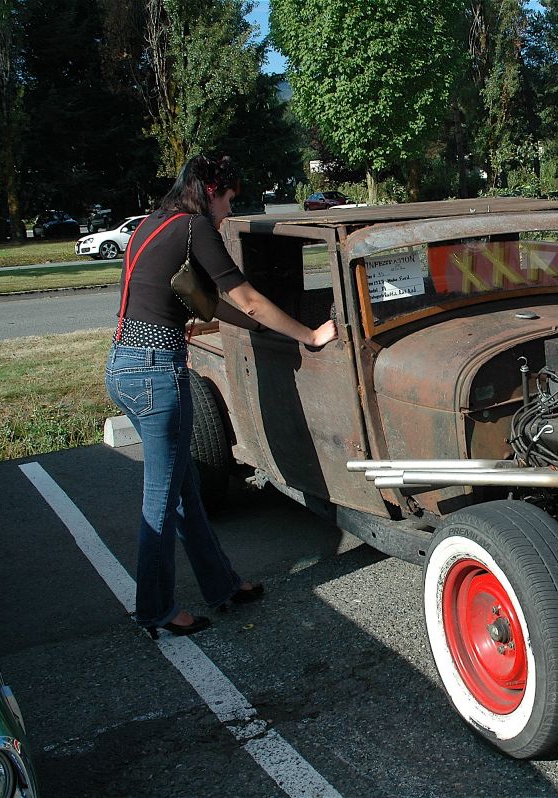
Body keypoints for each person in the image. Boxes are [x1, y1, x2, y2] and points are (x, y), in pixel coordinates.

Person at [105, 154, 337, 638]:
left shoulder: (154, 224)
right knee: (162, 501)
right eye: (229, 199)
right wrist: (308, 336)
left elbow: (203, 302)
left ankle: (222, 586)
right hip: (156, 376)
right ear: (211, 190)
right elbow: (245, 297)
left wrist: (265, 328)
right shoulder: (194, 227)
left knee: (184, 489)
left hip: (126, 369)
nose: (228, 212)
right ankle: (154, 610)